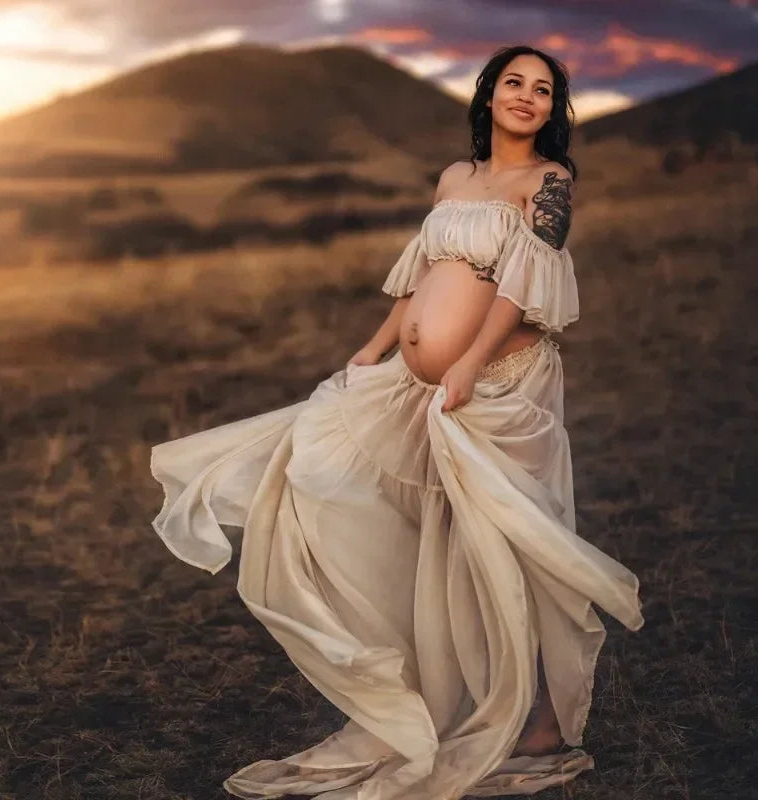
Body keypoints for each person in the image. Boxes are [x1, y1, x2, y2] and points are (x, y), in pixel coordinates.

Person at [149, 44, 644, 799]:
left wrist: (469, 365)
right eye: (514, 82)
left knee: (516, 538)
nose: (526, 97)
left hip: (500, 382)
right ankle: (437, 690)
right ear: (488, 96)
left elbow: (521, 289)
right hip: (421, 385)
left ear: (552, 110)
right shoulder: (455, 178)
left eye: (543, 90)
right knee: (334, 479)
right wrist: (376, 349)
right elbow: (422, 276)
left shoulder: (550, 181)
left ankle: (543, 723)